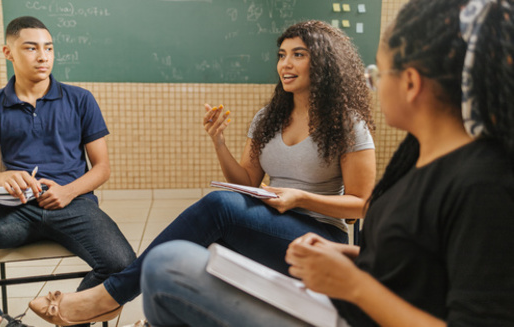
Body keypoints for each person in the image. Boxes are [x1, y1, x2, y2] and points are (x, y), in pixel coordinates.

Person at [135, 0, 514, 326]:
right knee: (173, 263)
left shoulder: (484, 185)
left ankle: (115, 292)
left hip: (350, 311)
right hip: (341, 291)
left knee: (169, 264)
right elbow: (413, 264)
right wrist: (344, 255)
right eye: (282, 55)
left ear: (411, 83)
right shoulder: (416, 155)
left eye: (377, 74)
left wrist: (352, 284)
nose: (373, 85)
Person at [29, 20, 376, 325]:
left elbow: (361, 204)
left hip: (319, 237)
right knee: (212, 223)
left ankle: (110, 297)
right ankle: (158, 315)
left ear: (324, 62)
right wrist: (219, 142)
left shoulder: (347, 124)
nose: (285, 63)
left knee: (218, 208)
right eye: (281, 54)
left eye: (298, 54)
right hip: (269, 223)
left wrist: (299, 197)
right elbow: (247, 184)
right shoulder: (267, 118)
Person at [0, 16, 136, 326]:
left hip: (72, 203)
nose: (43, 57)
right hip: (14, 208)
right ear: (8, 52)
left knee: (123, 265)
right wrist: (3, 177)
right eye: (31, 48)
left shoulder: (80, 99)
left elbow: (102, 168)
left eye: (49, 48)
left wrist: (67, 191)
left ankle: (69, 314)